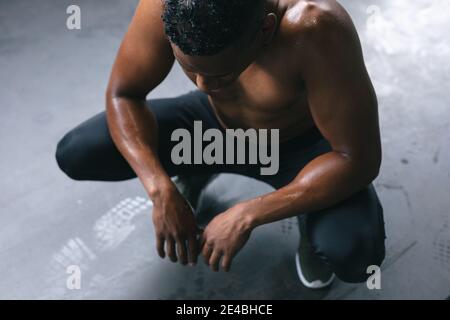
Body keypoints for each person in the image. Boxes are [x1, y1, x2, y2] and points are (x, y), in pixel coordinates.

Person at [55, 0, 386, 289]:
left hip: (297, 150)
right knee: (79, 151)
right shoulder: (169, 5)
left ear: (265, 29)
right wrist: (159, 189)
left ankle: (307, 204)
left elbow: (358, 158)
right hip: (211, 132)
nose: (203, 85)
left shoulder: (313, 27)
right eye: (190, 69)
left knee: (354, 250)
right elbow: (123, 93)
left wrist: (248, 213)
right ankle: (198, 164)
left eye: (223, 75)